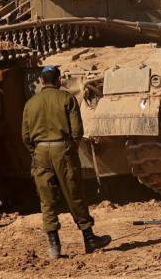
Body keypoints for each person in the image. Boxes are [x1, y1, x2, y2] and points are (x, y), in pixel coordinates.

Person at [20, 65, 112, 258]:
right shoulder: (67, 98)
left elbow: (26, 136)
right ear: (59, 80)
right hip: (63, 150)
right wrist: (69, 149)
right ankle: (89, 239)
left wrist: (37, 151)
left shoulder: (31, 103)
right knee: (75, 195)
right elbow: (77, 131)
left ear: (42, 81)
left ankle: (54, 246)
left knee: (47, 199)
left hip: (40, 152)